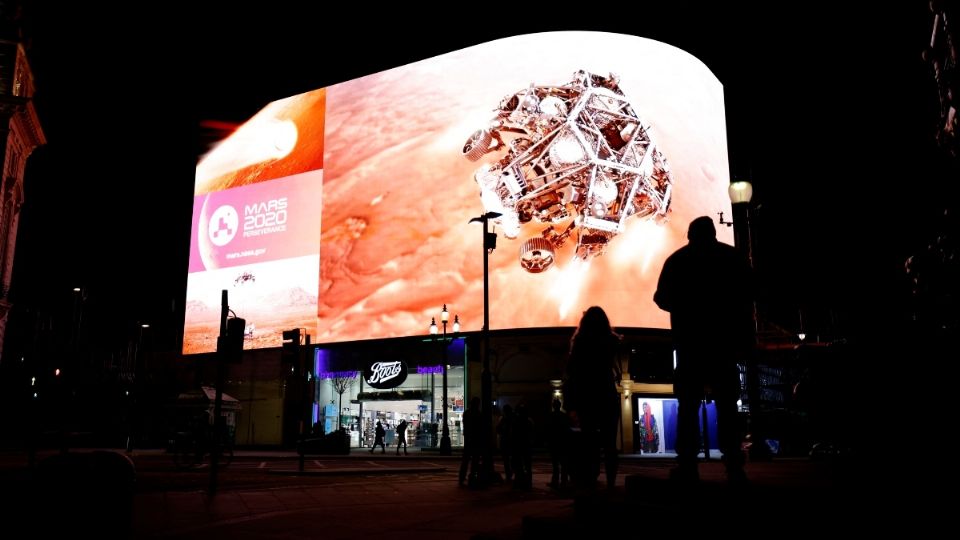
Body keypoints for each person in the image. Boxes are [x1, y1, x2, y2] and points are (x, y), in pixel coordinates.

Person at [654, 215, 754, 485]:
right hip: (723, 345)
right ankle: (734, 466)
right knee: (728, 411)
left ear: (690, 234)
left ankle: (687, 466)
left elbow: (661, 298)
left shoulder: (677, 261)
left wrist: (686, 307)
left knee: (687, 408)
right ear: (713, 233)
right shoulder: (732, 258)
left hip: (690, 345)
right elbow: (749, 296)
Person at [562, 306, 622, 490]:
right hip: (607, 395)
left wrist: (571, 402)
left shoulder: (579, 342)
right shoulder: (611, 341)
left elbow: (571, 372)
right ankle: (611, 483)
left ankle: (591, 480)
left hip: (587, 396)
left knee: (589, 442)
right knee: (610, 444)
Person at [546, 398, 570, 488]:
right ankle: (564, 481)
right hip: (562, 443)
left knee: (555, 464)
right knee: (563, 464)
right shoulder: (564, 416)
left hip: (555, 443)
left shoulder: (551, 416)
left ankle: (555, 481)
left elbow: (548, 430)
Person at [459, 397, 481, 486]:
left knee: (466, 460)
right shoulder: (478, 414)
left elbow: (466, 425)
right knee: (474, 460)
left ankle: (462, 477)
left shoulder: (467, 413)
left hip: (468, 438)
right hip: (475, 439)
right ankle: (471, 477)